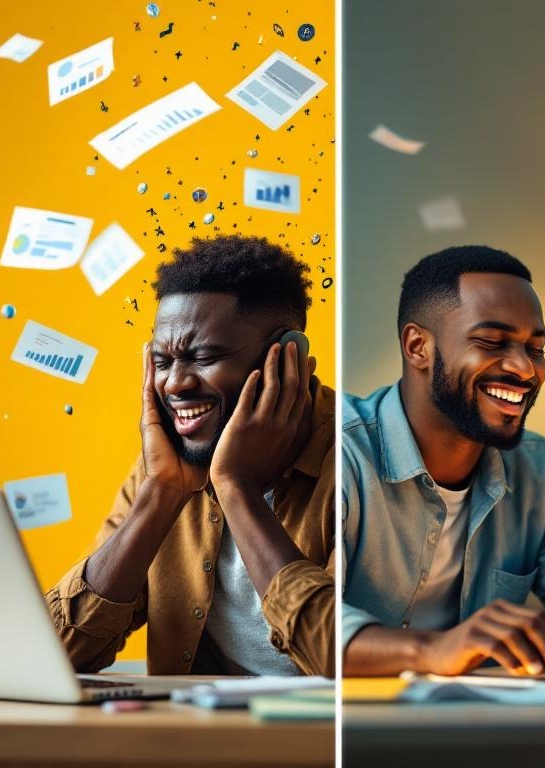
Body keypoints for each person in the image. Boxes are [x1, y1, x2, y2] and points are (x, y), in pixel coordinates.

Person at [342, 245, 545, 676]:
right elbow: (306, 620)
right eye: (491, 341)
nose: (524, 368)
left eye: (535, 348)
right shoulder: (343, 453)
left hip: (471, 728)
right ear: (417, 346)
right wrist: (433, 650)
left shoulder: (537, 472)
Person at [47, 235, 334, 677]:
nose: (176, 385)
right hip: (200, 737)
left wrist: (237, 488)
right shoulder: (167, 466)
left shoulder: (364, 457)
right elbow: (55, 655)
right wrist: (160, 494)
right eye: (161, 362)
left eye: (202, 356)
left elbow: (345, 659)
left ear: (288, 357)